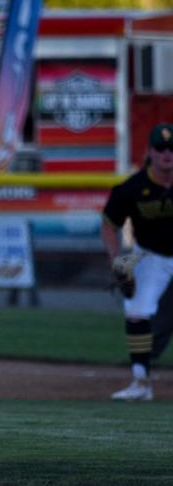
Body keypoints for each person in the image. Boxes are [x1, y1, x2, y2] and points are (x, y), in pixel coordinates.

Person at [101, 123, 173, 401]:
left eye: (172, 148)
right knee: (137, 311)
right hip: (151, 255)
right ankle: (141, 382)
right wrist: (115, 257)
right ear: (149, 152)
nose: (167, 154)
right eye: (160, 148)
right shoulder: (133, 188)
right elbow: (108, 225)